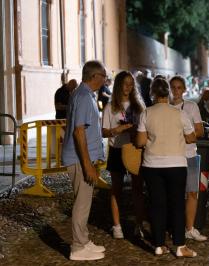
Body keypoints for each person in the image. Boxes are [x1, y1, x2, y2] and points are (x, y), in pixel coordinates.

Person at [136, 77, 197, 257]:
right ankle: (179, 246)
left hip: (152, 164)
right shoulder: (180, 113)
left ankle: (158, 244)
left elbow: (140, 142)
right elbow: (191, 137)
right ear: (168, 92)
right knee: (177, 204)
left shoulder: (146, 113)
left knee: (157, 204)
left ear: (153, 93)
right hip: (176, 164)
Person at [62, 60, 107, 261]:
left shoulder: (85, 94)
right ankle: (78, 247)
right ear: (94, 76)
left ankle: (83, 240)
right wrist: (88, 164)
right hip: (79, 160)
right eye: (103, 76)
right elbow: (79, 132)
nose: (105, 79)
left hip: (81, 158)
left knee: (85, 202)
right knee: (82, 204)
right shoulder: (83, 96)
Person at [101, 71, 146, 239]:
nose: (128, 87)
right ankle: (117, 226)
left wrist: (134, 129)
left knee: (137, 188)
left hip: (135, 149)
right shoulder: (110, 106)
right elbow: (104, 132)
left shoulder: (139, 106)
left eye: (131, 84)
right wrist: (117, 130)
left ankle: (139, 224)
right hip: (116, 150)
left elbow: (145, 127)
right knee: (116, 189)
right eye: (125, 83)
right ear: (119, 84)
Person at [169, 75, 207, 242]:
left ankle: (190, 228)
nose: (176, 91)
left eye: (179, 87)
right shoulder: (164, 107)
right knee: (174, 195)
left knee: (192, 193)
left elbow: (200, 131)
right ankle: (175, 227)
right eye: (173, 87)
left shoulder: (191, 107)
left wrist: (183, 137)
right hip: (171, 157)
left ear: (184, 89)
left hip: (190, 155)